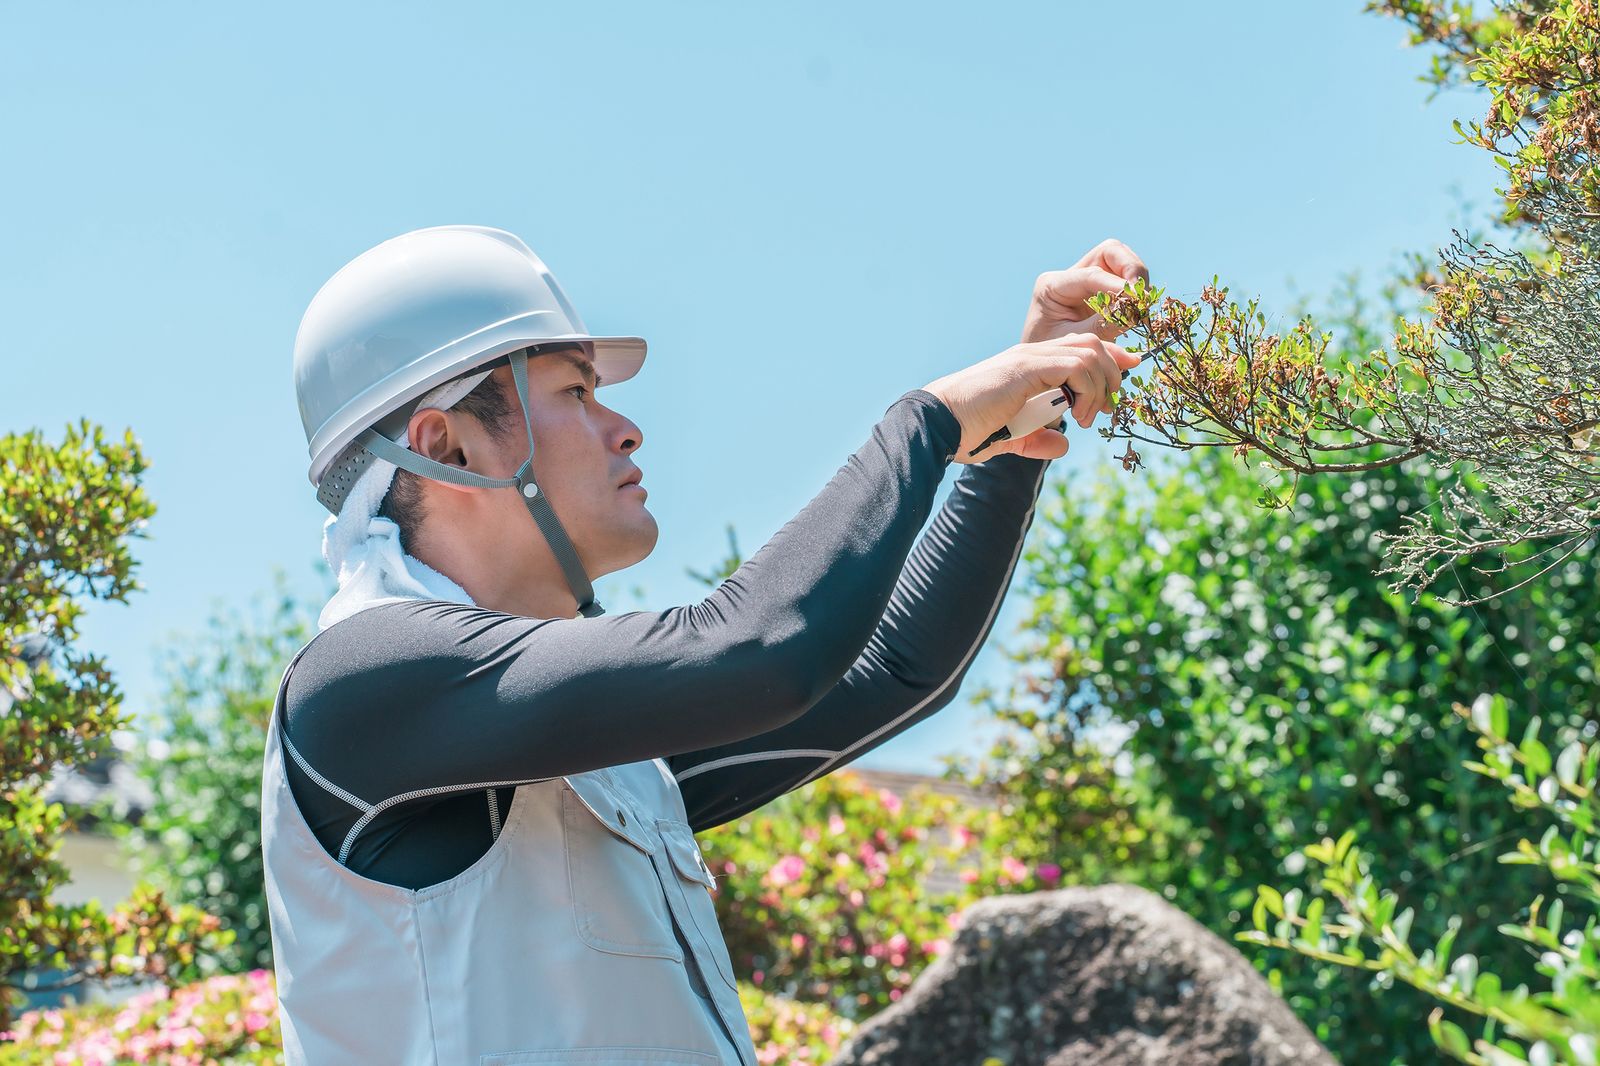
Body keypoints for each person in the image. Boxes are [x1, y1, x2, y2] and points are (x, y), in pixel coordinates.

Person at [262, 224, 1147, 1065]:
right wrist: (932, 419)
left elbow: (897, 671)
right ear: (444, 443)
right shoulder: (362, 679)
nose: (626, 429)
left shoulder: (578, 747)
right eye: (575, 392)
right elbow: (760, 651)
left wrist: (1019, 430)